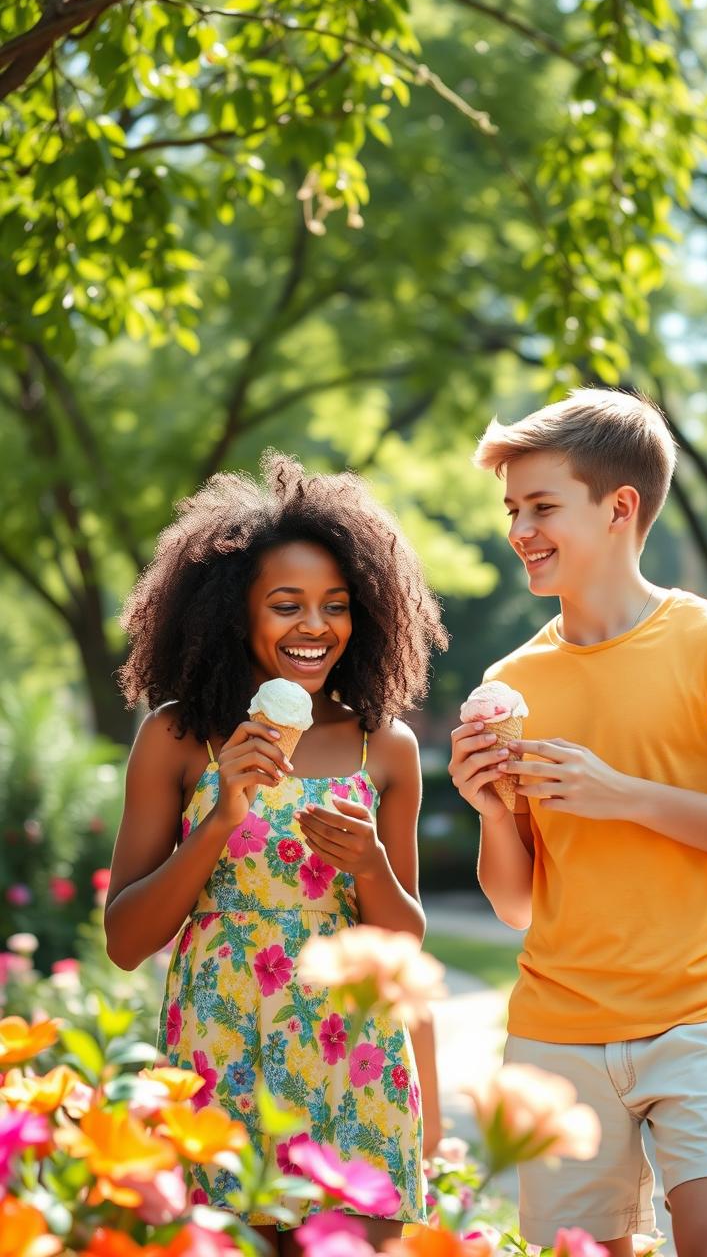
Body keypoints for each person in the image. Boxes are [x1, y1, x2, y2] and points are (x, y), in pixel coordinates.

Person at [448, 389, 707, 1257]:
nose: (521, 529)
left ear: (621, 507)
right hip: (558, 1034)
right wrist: (488, 811)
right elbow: (515, 905)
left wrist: (626, 796)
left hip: (703, 1016)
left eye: (543, 506)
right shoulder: (510, 683)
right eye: (513, 509)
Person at [105, 452, 448, 1253]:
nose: (315, 627)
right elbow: (125, 942)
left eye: (336, 605)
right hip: (223, 1045)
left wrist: (370, 868)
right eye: (286, 605)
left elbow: (406, 945)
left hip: (355, 1056)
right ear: (234, 613)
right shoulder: (178, 736)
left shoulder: (383, 748)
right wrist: (221, 819)